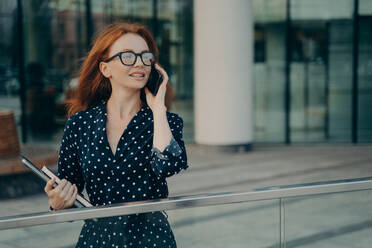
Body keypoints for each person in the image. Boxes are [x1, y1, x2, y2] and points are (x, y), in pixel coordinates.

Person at [44, 22, 188, 248]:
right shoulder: (80, 124)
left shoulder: (166, 122)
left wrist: (158, 108)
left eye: (145, 56)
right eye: (128, 56)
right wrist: (58, 201)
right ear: (105, 69)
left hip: (150, 240)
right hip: (97, 239)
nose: (140, 63)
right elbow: (71, 193)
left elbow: (167, 166)